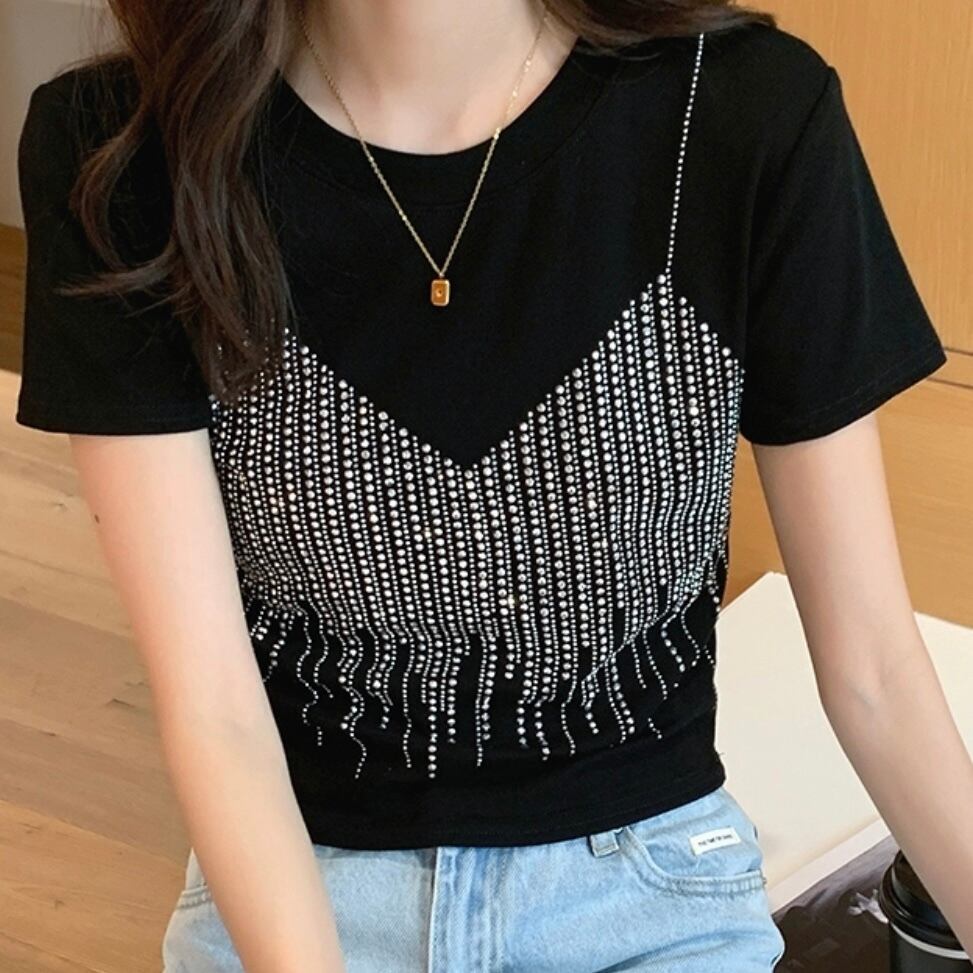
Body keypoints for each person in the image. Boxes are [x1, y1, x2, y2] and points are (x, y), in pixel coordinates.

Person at [14, 0, 972, 970]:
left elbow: (875, 674)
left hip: (643, 895)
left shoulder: (741, 114)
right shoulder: (119, 152)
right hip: (298, 887)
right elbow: (213, 707)